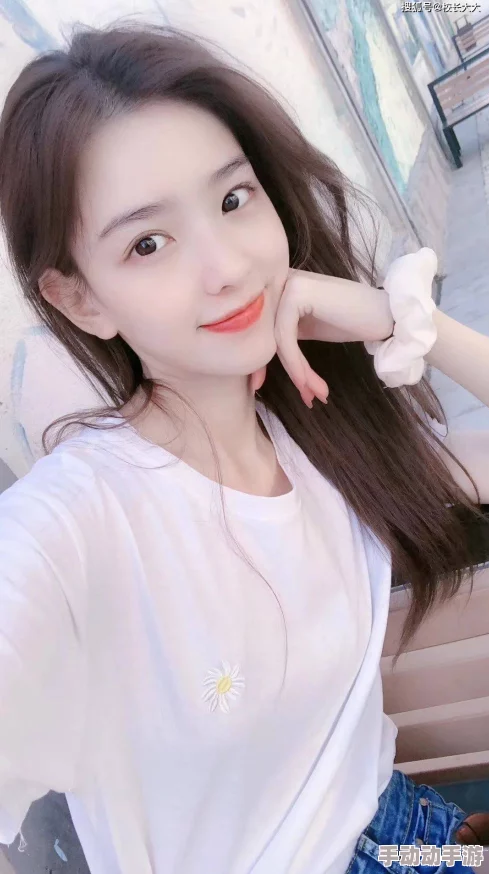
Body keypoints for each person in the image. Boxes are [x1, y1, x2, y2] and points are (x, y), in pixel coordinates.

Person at [0, 23, 488, 874]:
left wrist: (399, 319)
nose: (226, 266)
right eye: (147, 244)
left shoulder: (321, 433)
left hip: (414, 836)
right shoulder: (76, 521)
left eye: (233, 199)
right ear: (81, 300)